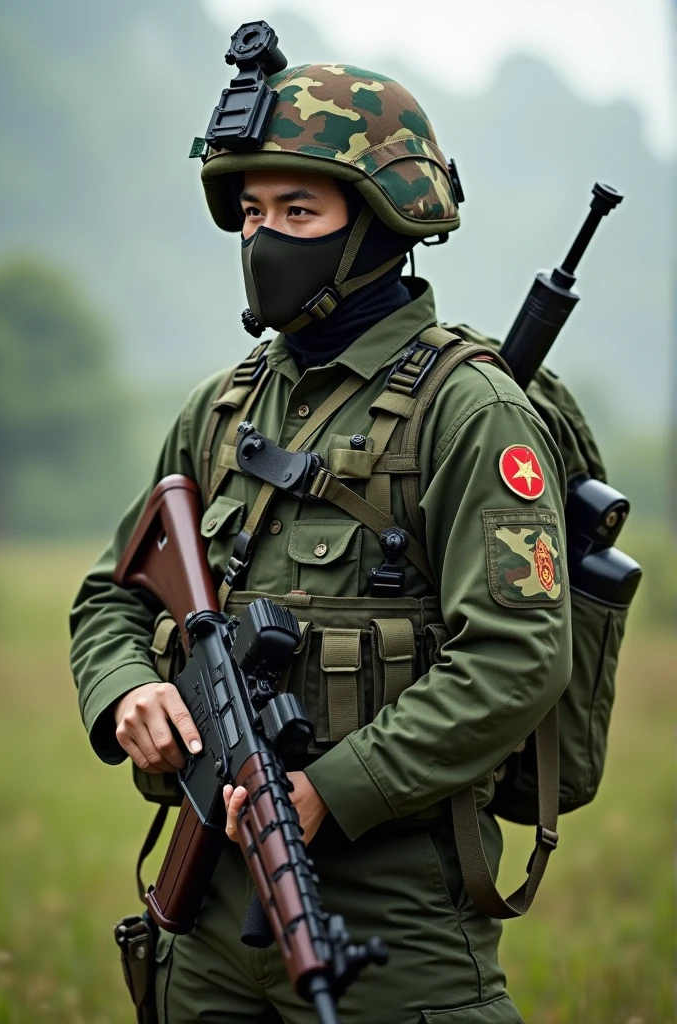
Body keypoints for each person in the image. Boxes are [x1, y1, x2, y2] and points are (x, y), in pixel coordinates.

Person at [70, 62, 572, 1024]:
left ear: (382, 227)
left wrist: (330, 791)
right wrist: (126, 692)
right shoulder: (219, 410)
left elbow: (516, 656)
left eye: (297, 212)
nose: (263, 239)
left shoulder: (471, 412)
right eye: (251, 213)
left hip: (395, 923)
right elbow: (111, 597)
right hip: (206, 923)